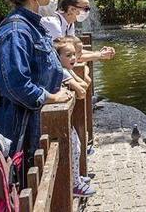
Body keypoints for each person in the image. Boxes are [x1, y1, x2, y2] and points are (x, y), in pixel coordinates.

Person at [0, 0, 73, 165]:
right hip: (23, 130)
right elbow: (15, 84)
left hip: (37, 125)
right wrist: (52, 97)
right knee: (27, 182)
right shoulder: (16, 31)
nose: (54, 0)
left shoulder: (33, 27)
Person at [53, 37, 96, 198]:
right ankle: (74, 184)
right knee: (72, 147)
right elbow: (83, 90)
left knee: (76, 145)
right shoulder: (63, 72)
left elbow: (83, 87)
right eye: (69, 55)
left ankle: (76, 177)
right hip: (58, 119)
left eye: (75, 55)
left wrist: (82, 72)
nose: (73, 59)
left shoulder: (66, 70)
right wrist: (80, 78)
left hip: (63, 118)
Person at [41, 0, 115, 63]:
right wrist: (100, 55)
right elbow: (65, 57)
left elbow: (75, 52)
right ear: (71, 9)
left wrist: (98, 52)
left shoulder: (70, 24)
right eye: (86, 9)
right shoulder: (54, 24)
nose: (88, 12)